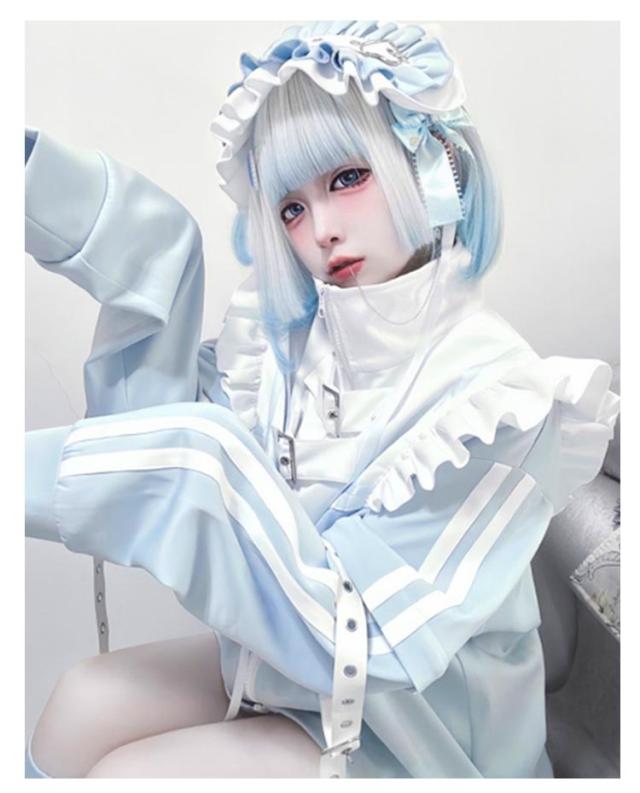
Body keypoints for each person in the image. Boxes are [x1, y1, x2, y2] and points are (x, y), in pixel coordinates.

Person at [24, 20, 620, 779]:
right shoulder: (291, 343)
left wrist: (202, 469)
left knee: (128, 775)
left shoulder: (496, 401)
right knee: (82, 698)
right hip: (289, 676)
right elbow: (146, 422)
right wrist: (136, 244)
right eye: (291, 208)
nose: (322, 231)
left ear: (430, 165)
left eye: (346, 178)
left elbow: (367, 639)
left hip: (425, 729)